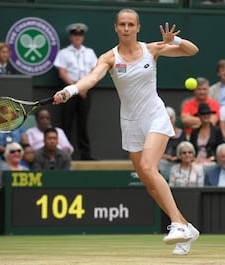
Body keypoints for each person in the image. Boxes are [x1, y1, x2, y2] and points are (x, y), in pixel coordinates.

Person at [52, 9, 199, 254]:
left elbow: (192, 50)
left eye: (131, 24)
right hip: (130, 123)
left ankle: (176, 225)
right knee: (149, 183)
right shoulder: (109, 58)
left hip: (155, 117)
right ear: (116, 27)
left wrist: (175, 41)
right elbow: (91, 78)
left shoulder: (152, 49)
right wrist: (71, 90)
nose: (127, 28)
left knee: (151, 168)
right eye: (123, 24)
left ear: (138, 27)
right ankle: (186, 227)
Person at [54, 22, 98, 160]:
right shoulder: (64, 53)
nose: (77, 37)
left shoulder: (89, 52)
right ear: (71, 37)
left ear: (82, 37)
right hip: (68, 92)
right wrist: (75, 88)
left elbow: (94, 71)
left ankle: (86, 155)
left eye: (80, 35)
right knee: (66, 123)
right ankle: (66, 155)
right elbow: (62, 72)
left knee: (83, 124)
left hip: (85, 92)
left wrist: (83, 87)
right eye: (75, 35)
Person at [190, 103, 224, 167]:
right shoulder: (194, 132)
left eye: (208, 113)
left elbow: (221, 147)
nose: (206, 115)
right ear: (199, 116)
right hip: (196, 161)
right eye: (203, 114)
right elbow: (191, 148)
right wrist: (194, 159)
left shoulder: (217, 130)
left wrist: (213, 158)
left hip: (212, 161)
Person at [159, 106, 186, 180]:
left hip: (179, 160)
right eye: (166, 119)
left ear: (174, 119)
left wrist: (178, 157)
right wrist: (166, 157)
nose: (169, 121)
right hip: (163, 160)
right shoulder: (159, 134)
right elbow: (155, 152)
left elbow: (184, 148)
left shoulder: (181, 133)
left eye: (170, 118)